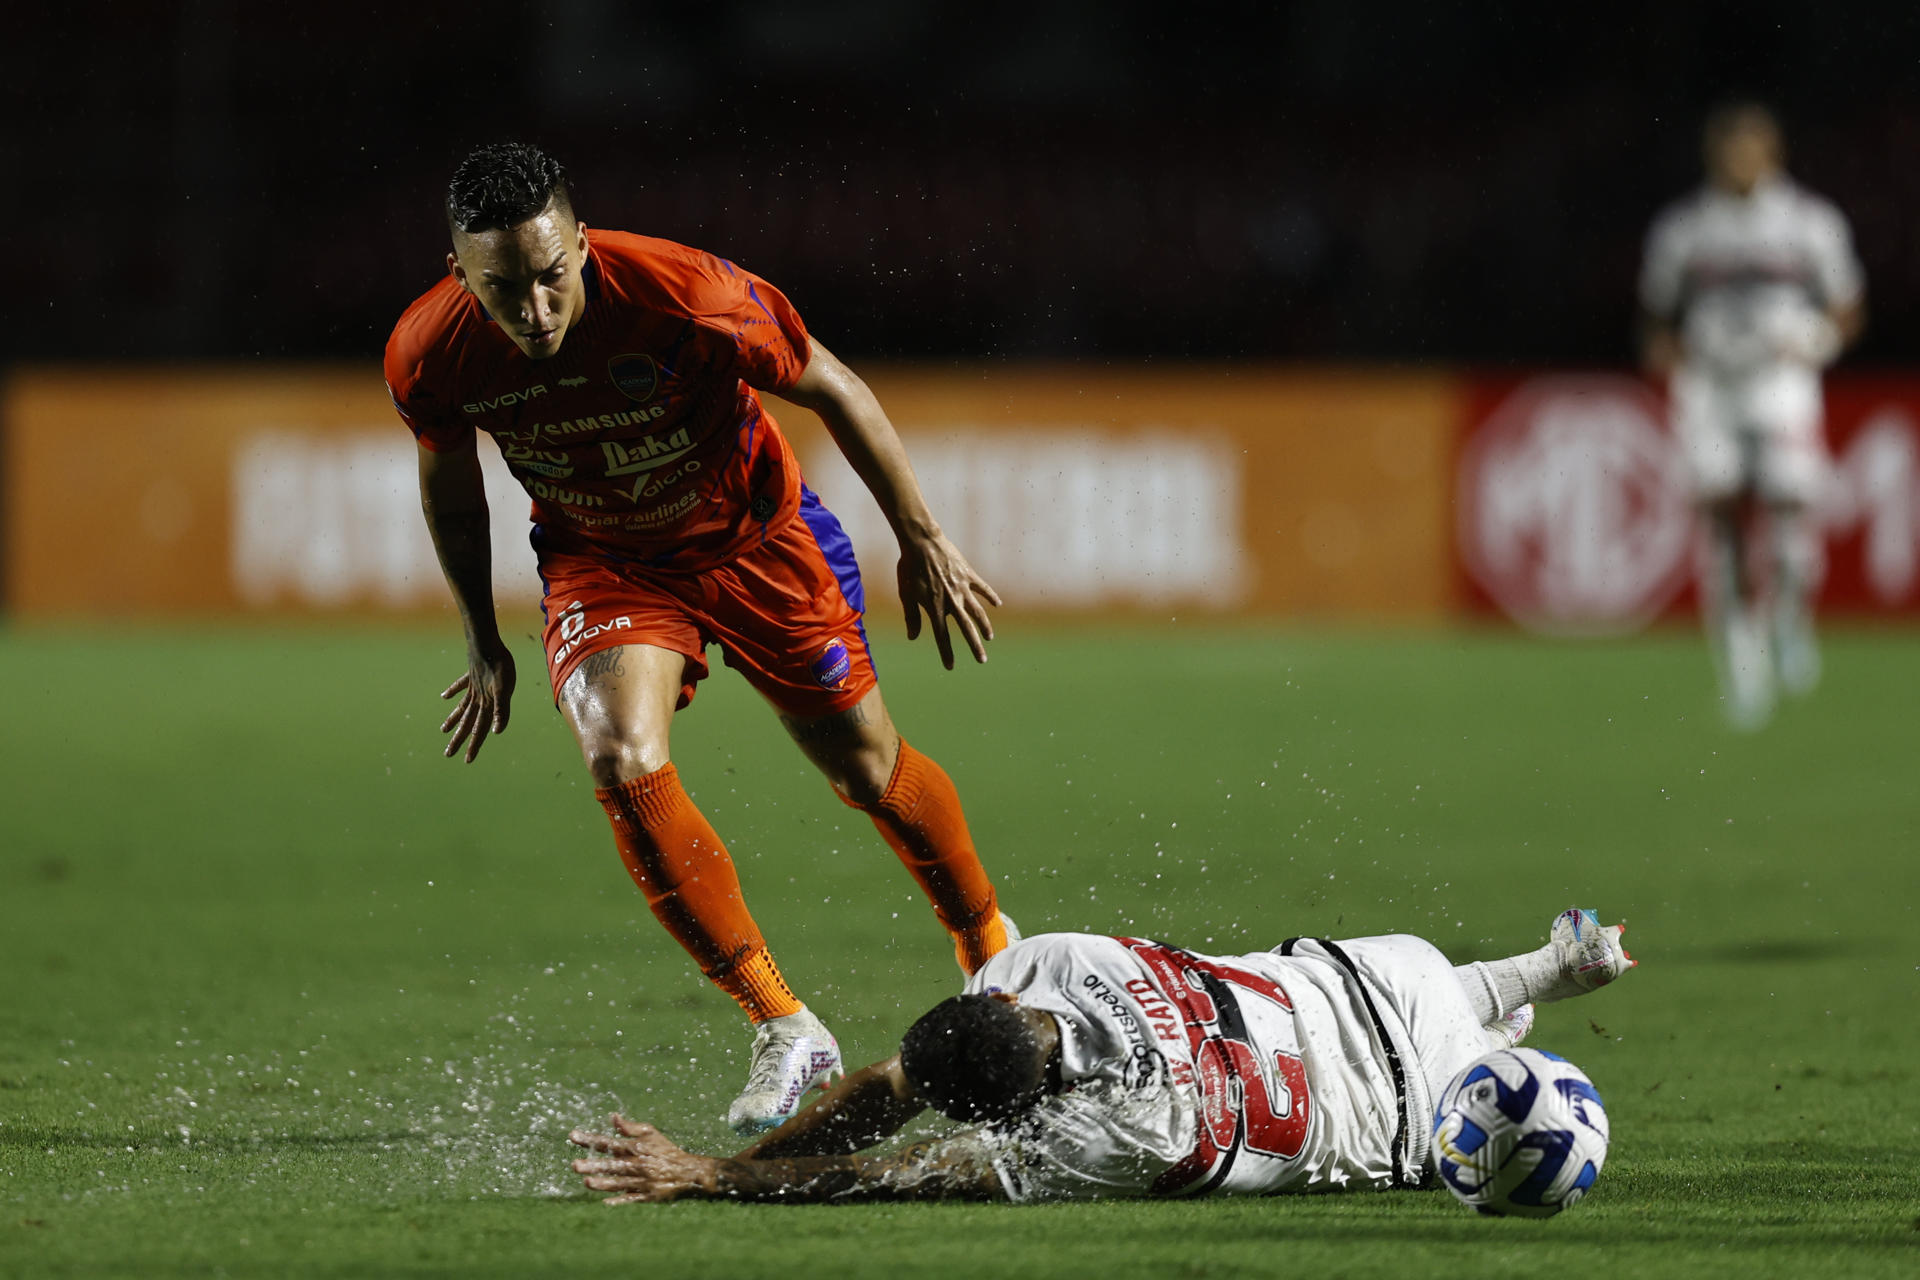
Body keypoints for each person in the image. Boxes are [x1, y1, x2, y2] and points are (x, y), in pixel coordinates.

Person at [384, 141, 1015, 1134]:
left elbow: (833, 386)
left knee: (865, 768)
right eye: (504, 289)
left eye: (553, 277)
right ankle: (784, 1021)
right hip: (608, 563)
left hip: (759, 539)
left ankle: (990, 944)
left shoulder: (687, 293)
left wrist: (923, 538)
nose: (537, 311)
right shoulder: (431, 351)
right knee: (618, 750)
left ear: (582, 244)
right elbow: (449, 479)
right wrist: (481, 633)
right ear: (458, 273)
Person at [567, 908, 1635, 1203]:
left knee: (1498, 1122)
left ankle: (1519, 1007)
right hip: (1378, 974)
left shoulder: (1119, 1137)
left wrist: (714, 1177)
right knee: (1430, 988)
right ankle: (1539, 969)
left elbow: (885, 1167)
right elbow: (893, 1090)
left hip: (1411, 1124)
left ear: (1016, 1108)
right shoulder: (1050, 960)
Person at [1639, 102, 1865, 730]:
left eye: (1753, 149)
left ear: (1773, 154)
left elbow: (1847, 306)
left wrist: (1818, 342)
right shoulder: (1683, 230)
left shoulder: (1810, 223)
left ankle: (1791, 610)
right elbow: (1657, 317)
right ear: (1716, 155)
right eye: (1732, 150)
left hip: (1780, 382)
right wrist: (1665, 353)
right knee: (1722, 518)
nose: (1742, 162)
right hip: (1712, 386)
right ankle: (1743, 663)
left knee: (1790, 511)